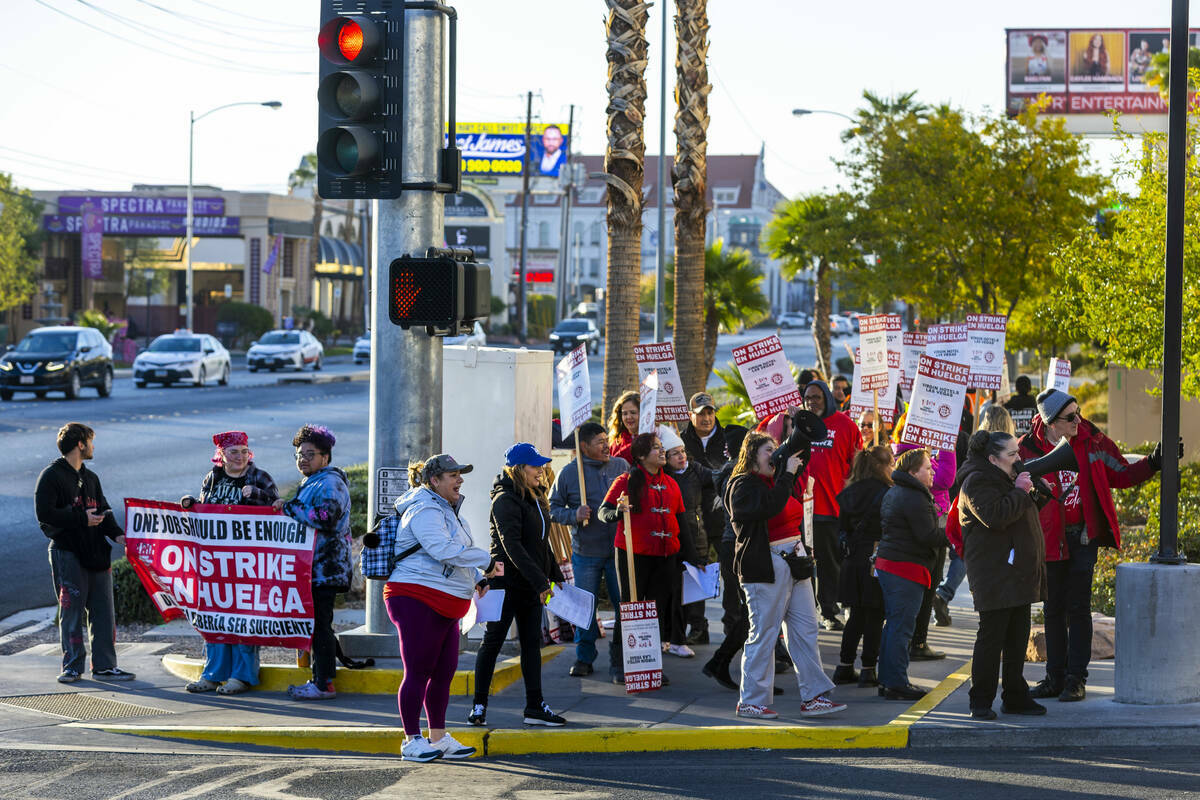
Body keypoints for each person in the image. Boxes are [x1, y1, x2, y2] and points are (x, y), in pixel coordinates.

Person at [1020, 389, 1173, 703]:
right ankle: (1055, 677)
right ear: (1050, 422)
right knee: (1053, 610)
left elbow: (1121, 474)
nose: (1078, 420)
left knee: (1078, 608)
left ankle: (1076, 679)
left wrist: (1153, 463)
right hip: (1049, 540)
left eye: (1078, 412)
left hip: (1083, 537)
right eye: (1069, 417)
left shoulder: (1093, 440)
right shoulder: (1028, 448)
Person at [725, 431, 846, 720]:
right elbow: (770, 507)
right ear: (752, 454)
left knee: (806, 630)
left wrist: (800, 435)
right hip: (765, 565)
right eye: (769, 450)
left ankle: (814, 695)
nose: (775, 455)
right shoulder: (742, 485)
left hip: (794, 560)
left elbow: (800, 463)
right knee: (765, 634)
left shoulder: (777, 482)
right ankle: (752, 700)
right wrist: (786, 476)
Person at [386, 454, 499, 761]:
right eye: (453, 475)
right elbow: (442, 550)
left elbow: (456, 552)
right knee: (419, 671)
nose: (459, 479)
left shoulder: (448, 510)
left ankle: (438, 738)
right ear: (434, 481)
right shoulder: (424, 509)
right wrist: (485, 561)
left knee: (444, 671)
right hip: (415, 597)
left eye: (460, 473)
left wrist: (478, 577)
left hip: (445, 600)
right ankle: (411, 740)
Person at [471, 443, 567, 727]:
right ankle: (478, 706)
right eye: (535, 466)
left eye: (541, 465)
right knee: (493, 643)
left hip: (530, 584)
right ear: (518, 469)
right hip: (505, 584)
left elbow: (540, 543)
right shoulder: (504, 500)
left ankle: (535, 707)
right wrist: (540, 581)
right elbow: (511, 546)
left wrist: (554, 576)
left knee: (531, 645)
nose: (541, 470)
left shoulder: (535, 496)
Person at [958, 430, 1048, 720]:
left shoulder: (1005, 478)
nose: (1018, 459)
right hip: (994, 573)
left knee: (1017, 639)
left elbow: (1019, 515)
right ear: (993, 459)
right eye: (1012, 455)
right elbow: (995, 516)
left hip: (1015, 572)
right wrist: (1020, 491)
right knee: (992, 638)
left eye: (1017, 453)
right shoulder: (977, 481)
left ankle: (1015, 696)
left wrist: (1037, 494)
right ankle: (980, 700)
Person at [180, 431, 278, 695]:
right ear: (221, 455)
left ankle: (242, 675)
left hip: (249, 560)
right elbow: (205, 509)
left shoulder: (260, 477)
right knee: (216, 615)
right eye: (234, 451)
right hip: (217, 561)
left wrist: (256, 493)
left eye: (245, 451)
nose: (240, 456)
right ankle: (213, 674)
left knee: (244, 616)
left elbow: (278, 510)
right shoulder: (212, 478)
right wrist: (192, 504)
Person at [37, 423, 135, 684]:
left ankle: (104, 666)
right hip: (68, 553)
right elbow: (44, 515)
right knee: (71, 612)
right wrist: (81, 518)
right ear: (80, 444)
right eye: (91, 441)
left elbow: (103, 511)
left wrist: (119, 536)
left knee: (104, 612)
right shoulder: (52, 476)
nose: (93, 446)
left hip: (96, 554)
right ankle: (71, 666)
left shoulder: (90, 478)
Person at [274, 425, 351, 701]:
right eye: (298, 454)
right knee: (317, 624)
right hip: (311, 569)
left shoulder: (330, 482)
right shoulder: (314, 481)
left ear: (325, 457)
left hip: (325, 569)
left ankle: (324, 683)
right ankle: (318, 678)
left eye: (310, 454)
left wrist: (288, 507)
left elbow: (326, 517)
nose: (302, 459)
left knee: (320, 625)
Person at [549, 421, 629, 682]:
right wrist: (574, 514)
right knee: (585, 607)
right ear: (584, 446)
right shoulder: (569, 474)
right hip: (586, 552)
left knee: (623, 606)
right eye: (600, 442)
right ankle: (584, 657)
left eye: (607, 440)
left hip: (618, 551)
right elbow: (553, 509)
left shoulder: (621, 467)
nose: (606, 445)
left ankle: (621, 659)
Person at [598, 432, 685, 672]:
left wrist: (692, 557)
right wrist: (619, 511)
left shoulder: (670, 483)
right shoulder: (625, 481)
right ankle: (619, 665)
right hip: (633, 554)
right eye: (656, 448)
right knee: (630, 608)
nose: (662, 452)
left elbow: (681, 520)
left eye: (661, 447)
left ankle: (650, 666)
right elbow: (602, 513)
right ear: (641, 455)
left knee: (656, 610)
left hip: (665, 556)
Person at [876, 447, 946, 700]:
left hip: (894, 565)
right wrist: (953, 532)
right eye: (927, 468)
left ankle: (888, 680)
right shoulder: (913, 496)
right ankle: (896, 683)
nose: (932, 472)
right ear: (913, 471)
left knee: (894, 625)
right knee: (901, 627)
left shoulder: (898, 491)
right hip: (904, 567)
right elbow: (927, 535)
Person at [799, 379, 864, 630]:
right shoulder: (800, 425)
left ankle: (833, 607)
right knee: (805, 564)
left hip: (833, 508)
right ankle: (823, 610)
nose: (812, 402)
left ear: (827, 397)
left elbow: (857, 466)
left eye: (817, 397)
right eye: (807, 397)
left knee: (830, 563)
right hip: (802, 508)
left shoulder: (846, 426)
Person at [832, 446, 894, 688]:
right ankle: (869, 669)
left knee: (855, 616)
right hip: (876, 558)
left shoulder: (849, 492)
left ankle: (844, 666)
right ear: (881, 466)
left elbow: (842, 528)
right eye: (890, 463)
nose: (892, 468)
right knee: (875, 615)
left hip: (852, 559)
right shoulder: (887, 493)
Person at [702, 424, 750, 690]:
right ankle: (720, 662)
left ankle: (722, 663)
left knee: (751, 613)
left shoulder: (727, 471)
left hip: (733, 546)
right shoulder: (736, 472)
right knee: (751, 614)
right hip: (738, 547)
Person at [663, 426, 715, 650]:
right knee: (674, 588)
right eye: (675, 453)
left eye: (682, 451)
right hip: (673, 539)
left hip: (697, 535)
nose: (681, 456)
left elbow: (717, 479)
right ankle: (674, 633)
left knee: (696, 585)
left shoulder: (696, 470)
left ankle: (698, 629)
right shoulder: (663, 477)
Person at [607, 390, 640, 464]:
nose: (629, 417)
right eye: (625, 413)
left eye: (633, 412)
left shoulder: (652, 439)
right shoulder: (616, 442)